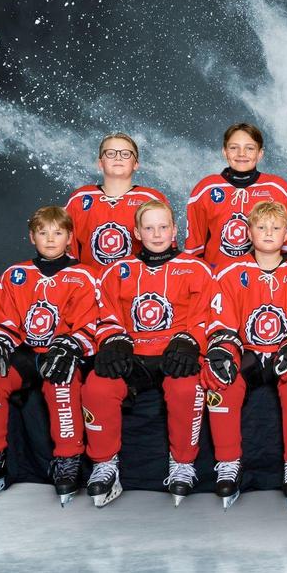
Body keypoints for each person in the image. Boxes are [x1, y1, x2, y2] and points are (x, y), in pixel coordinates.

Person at [82, 200, 212, 507]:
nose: (157, 234)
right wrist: (113, 340)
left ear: (174, 230)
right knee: (96, 387)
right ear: (137, 233)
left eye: (163, 227)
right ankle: (105, 465)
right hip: (134, 355)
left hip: (175, 353)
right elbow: (104, 314)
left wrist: (190, 340)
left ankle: (183, 464)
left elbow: (207, 314)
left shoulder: (196, 268)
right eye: (149, 228)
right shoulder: (118, 271)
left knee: (187, 388)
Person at [0, 206, 97, 506]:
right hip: (25, 354)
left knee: (61, 379)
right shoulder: (15, 275)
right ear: (31, 237)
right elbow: (1, 319)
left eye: (58, 233)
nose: (50, 239)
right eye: (43, 233)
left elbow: (90, 323)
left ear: (70, 238)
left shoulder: (85, 276)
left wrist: (70, 345)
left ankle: (68, 459)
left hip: (62, 354)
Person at [207, 201, 287, 509]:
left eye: (276, 227)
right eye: (261, 227)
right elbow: (221, 320)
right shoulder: (230, 272)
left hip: (285, 353)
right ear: (248, 232)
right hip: (247, 353)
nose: (269, 233)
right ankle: (228, 463)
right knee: (221, 380)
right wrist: (227, 349)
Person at [185, 123, 287, 270]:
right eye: (233, 148)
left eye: (249, 148)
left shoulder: (278, 189)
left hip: (265, 277)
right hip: (217, 277)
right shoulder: (206, 189)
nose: (241, 154)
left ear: (260, 153)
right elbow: (194, 247)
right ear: (224, 152)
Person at [64, 132, 169, 273]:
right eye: (110, 153)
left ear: (136, 164)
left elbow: (165, 252)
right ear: (100, 163)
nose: (118, 157)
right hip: (91, 284)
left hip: (137, 284)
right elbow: (66, 250)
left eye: (125, 154)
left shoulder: (151, 199)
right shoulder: (80, 199)